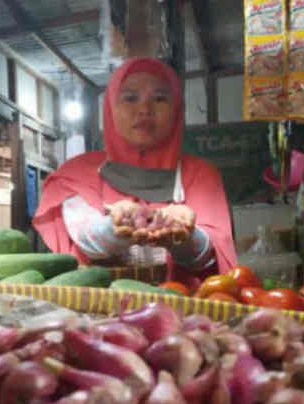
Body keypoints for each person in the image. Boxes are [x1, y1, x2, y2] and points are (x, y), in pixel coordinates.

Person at [33, 57, 237, 285]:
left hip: (181, 310)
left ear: (177, 110)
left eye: (159, 99)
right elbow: (85, 240)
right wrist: (115, 227)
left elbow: (212, 255)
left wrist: (183, 235)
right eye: (130, 98)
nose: (144, 109)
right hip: (96, 311)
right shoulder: (76, 173)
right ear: (110, 108)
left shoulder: (200, 175)